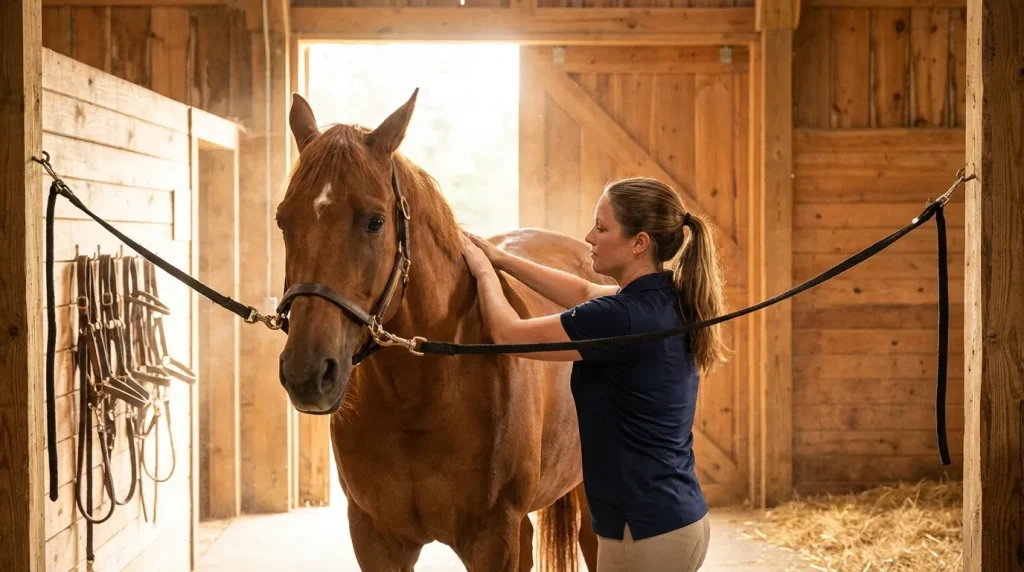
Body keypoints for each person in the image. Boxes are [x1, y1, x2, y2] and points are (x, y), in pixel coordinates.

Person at [460, 176, 729, 572]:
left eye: (602, 228)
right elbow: (585, 291)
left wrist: (484, 275)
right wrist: (501, 259)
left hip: (647, 534)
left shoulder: (620, 319)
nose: (588, 237)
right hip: (663, 522)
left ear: (639, 243)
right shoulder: (664, 297)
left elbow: (507, 334)